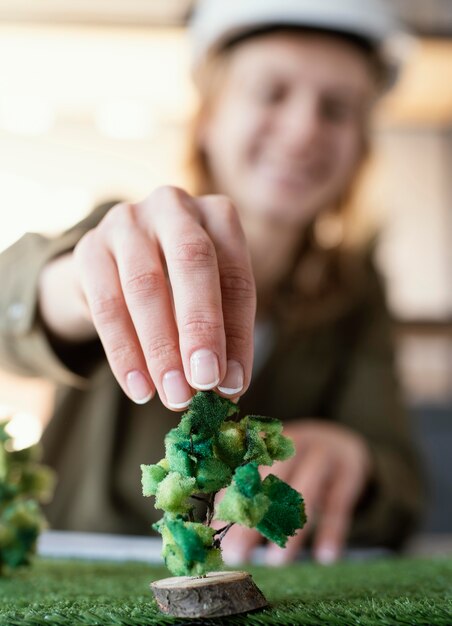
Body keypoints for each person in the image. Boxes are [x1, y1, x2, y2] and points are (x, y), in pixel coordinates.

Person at [0, 0, 423, 566]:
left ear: (361, 148)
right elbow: (14, 304)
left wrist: (355, 461)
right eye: (271, 93)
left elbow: (402, 483)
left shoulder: (358, 294)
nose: (303, 130)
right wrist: (73, 284)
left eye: (337, 108)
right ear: (208, 121)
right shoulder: (123, 230)